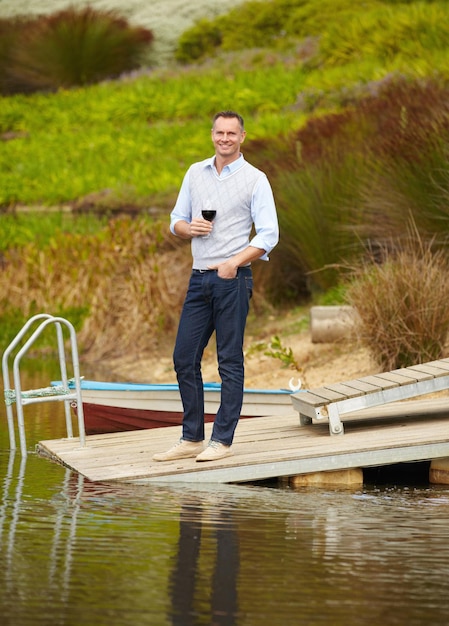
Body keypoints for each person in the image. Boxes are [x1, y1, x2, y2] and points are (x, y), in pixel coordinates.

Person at [153, 110, 279, 463]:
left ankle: (221, 440)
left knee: (229, 361)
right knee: (183, 357)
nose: (225, 138)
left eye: (231, 133)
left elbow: (269, 234)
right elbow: (175, 220)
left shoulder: (256, 179)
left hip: (232, 280)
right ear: (212, 135)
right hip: (198, 278)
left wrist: (234, 262)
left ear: (242, 137)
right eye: (219, 132)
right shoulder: (196, 172)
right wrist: (187, 229)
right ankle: (192, 437)